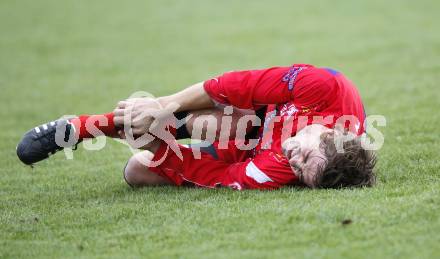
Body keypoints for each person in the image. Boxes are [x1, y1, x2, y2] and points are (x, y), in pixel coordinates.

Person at [17, 64, 376, 190]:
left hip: (252, 142)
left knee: (136, 171)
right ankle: (80, 127)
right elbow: (241, 84)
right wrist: (162, 106)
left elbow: (223, 176)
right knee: (226, 120)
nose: (292, 160)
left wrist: (160, 151)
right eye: (304, 156)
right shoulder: (327, 88)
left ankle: (147, 131)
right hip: (244, 113)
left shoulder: (285, 166)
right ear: (331, 134)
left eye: (300, 172)